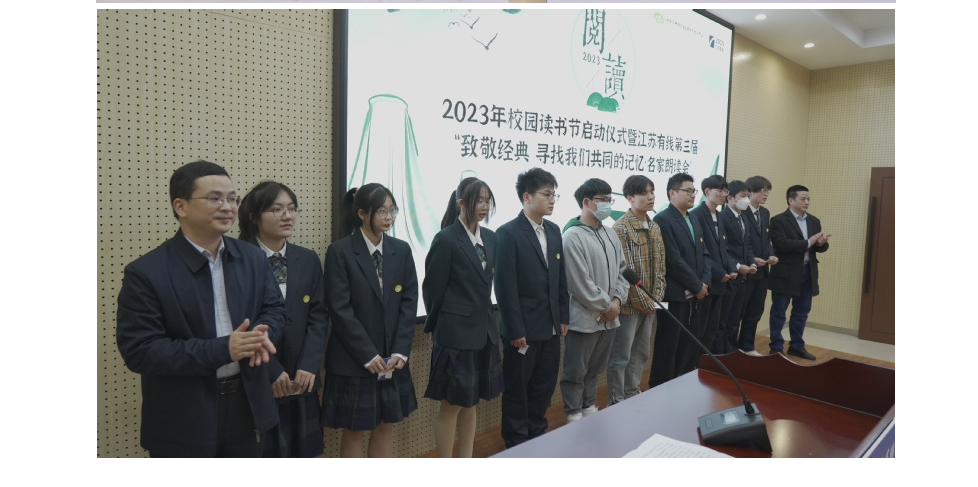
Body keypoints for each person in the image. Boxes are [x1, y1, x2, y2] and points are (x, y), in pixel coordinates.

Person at [116, 160, 286, 457]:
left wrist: (261, 335)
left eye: (232, 198)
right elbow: (140, 351)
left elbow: (275, 309)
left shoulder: (252, 258)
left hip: (249, 408)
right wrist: (225, 349)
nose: (227, 207)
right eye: (215, 198)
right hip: (184, 414)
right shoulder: (146, 272)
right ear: (180, 206)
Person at [321, 183, 419, 457]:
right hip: (354, 360)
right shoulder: (340, 251)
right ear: (362, 213)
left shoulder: (401, 250)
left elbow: (409, 302)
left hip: (391, 358)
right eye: (381, 211)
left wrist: (400, 350)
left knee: (385, 426)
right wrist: (367, 354)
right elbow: (340, 309)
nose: (389, 217)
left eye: (392, 210)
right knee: (355, 430)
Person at [238, 181, 328, 457]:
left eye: (291, 208)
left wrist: (309, 365)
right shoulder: (237, 260)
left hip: (302, 379)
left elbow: (318, 317)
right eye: (276, 209)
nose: (287, 216)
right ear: (254, 216)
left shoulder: (307, 259)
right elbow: (237, 322)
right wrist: (271, 370)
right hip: (257, 378)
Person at [422, 177, 504, 457]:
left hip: (484, 332)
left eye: (487, 201)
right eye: (478, 200)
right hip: (455, 334)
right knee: (451, 405)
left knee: (471, 403)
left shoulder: (491, 238)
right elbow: (432, 290)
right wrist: (438, 329)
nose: (484, 206)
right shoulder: (446, 239)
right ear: (461, 203)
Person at [495, 167, 569, 449]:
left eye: (554, 195)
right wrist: (515, 329)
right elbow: (505, 287)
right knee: (518, 390)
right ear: (527, 196)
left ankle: (537, 437)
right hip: (523, 330)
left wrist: (563, 316)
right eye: (546, 194)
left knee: (543, 387)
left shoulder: (554, 230)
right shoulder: (508, 233)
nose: (552, 200)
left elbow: (560, 279)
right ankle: (516, 444)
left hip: (551, 327)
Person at [560, 178, 629, 422]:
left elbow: (622, 271)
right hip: (584, 319)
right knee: (576, 371)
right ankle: (573, 413)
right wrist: (606, 306)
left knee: (595, 369)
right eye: (603, 199)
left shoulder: (610, 233)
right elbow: (579, 282)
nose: (608, 204)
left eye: (610, 199)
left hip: (609, 318)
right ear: (586, 202)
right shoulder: (572, 236)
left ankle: (589, 406)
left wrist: (617, 301)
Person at [608, 175, 666, 405]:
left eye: (652, 191)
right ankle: (616, 401)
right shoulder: (620, 228)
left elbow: (661, 266)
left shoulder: (655, 227)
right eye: (644, 193)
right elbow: (624, 271)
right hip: (629, 306)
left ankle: (632, 395)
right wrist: (646, 302)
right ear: (630, 198)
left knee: (641, 353)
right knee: (621, 356)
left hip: (651, 304)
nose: (650, 197)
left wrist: (656, 299)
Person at [650, 173, 710, 388]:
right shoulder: (663, 219)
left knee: (689, 342)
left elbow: (705, 254)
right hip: (674, 294)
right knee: (669, 344)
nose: (693, 195)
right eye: (688, 191)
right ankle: (662, 388)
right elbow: (673, 259)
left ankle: (682, 384)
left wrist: (704, 283)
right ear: (672, 193)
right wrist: (696, 285)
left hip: (696, 293)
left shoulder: (694, 218)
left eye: (694, 191)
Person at [768, 185, 830, 360]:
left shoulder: (814, 221)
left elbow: (818, 248)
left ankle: (796, 346)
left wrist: (821, 243)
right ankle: (776, 347)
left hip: (807, 272)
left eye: (808, 199)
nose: (807, 202)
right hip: (785, 273)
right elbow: (782, 244)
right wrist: (809, 242)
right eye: (803, 199)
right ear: (791, 200)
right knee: (779, 312)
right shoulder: (778, 220)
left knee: (801, 312)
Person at [688, 175, 742, 367]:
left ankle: (707, 365)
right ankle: (696, 365)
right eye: (719, 191)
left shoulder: (719, 215)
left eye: (725, 191)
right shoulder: (696, 215)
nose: (723, 194)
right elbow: (703, 252)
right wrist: (719, 273)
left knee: (714, 328)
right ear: (707, 192)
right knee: (700, 329)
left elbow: (724, 249)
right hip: (707, 281)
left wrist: (731, 269)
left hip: (722, 282)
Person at [714, 180, 757, 354]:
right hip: (730, 275)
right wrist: (738, 266)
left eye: (748, 196)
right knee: (723, 320)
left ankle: (732, 351)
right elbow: (723, 249)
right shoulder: (723, 217)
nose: (747, 199)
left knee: (735, 318)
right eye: (743, 196)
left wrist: (752, 262)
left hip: (744, 277)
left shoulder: (744, 217)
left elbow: (747, 244)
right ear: (730, 198)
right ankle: (721, 353)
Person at [738, 176, 779, 353]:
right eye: (763, 190)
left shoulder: (765, 213)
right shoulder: (741, 211)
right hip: (746, 270)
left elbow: (766, 240)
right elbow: (740, 242)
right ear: (751, 192)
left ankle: (747, 346)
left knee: (755, 311)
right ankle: (733, 348)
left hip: (763, 271)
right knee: (739, 311)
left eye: (767, 191)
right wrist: (752, 259)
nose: (766, 194)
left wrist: (771, 254)